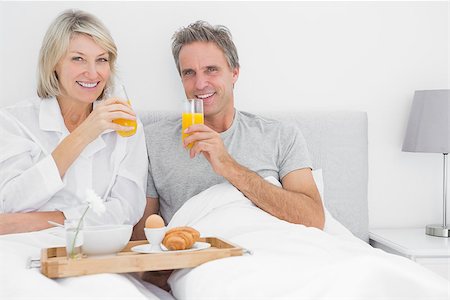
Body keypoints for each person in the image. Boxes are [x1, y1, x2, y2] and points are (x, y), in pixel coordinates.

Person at [137, 20, 324, 238]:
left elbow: (313, 219)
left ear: (234, 73)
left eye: (211, 70)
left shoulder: (281, 136)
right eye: (189, 73)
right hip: (205, 260)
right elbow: (142, 239)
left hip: (276, 249)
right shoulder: (153, 141)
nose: (199, 84)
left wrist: (229, 167)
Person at [0, 10, 148, 234]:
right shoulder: (15, 122)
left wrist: (49, 220)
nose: (92, 73)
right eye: (78, 58)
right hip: (24, 247)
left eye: (101, 60)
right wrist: (83, 134)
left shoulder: (125, 125)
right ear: (54, 64)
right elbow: (9, 202)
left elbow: (127, 208)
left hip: (94, 249)